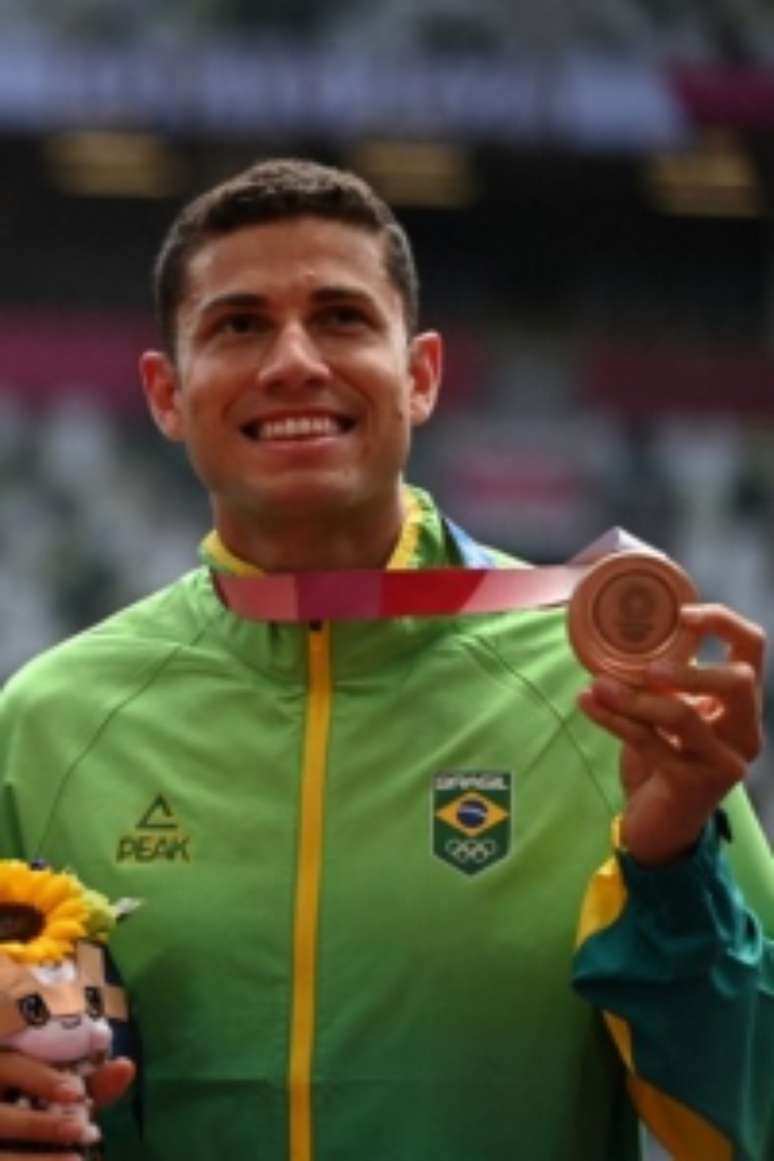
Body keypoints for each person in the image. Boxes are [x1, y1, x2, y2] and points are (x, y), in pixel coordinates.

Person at [0, 157, 772, 1161]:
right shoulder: (50, 723)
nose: (293, 362)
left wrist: (670, 864)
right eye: (238, 325)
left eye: (342, 318)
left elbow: (748, 1121)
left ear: (421, 376)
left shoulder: (610, 698)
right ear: (166, 393)